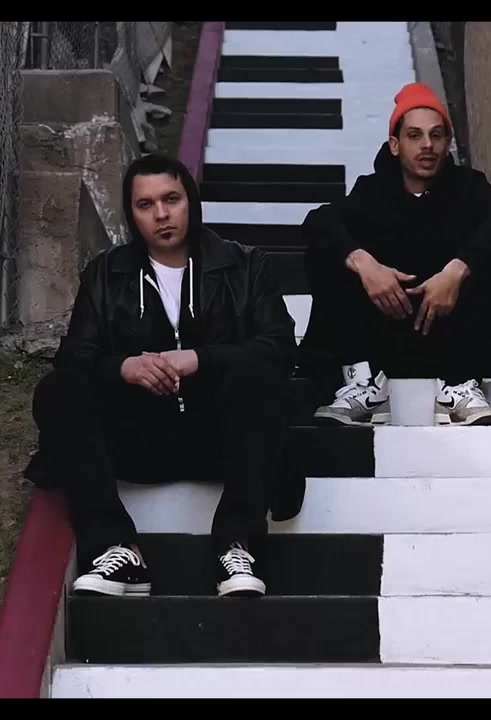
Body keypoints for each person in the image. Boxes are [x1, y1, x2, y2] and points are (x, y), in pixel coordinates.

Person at [23, 154, 299, 598]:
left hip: (222, 439)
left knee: (259, 375)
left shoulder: (245, 266)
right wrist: (125, 367)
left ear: (191, 200)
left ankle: (237, 544)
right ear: (131, 214)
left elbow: (280, 349)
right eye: (145, 204)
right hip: (139, 438)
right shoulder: (107, 273)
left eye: (171, 199)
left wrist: (201, 359)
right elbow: (74, 356)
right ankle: (116, 548)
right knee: (59, 389)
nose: (161, 214)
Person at [298, 82, 491, 427]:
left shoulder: (468, 188)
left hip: (455, 344)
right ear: (395, 145)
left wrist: (456, 272)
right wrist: (366, 266)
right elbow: (318, 223)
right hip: (383, 343)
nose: (427, 145)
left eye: (436, 135)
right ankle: (362, 385)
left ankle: (459, 388)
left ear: (447, 142)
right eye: (415, 135)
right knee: (327, 254)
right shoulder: (372, 192)